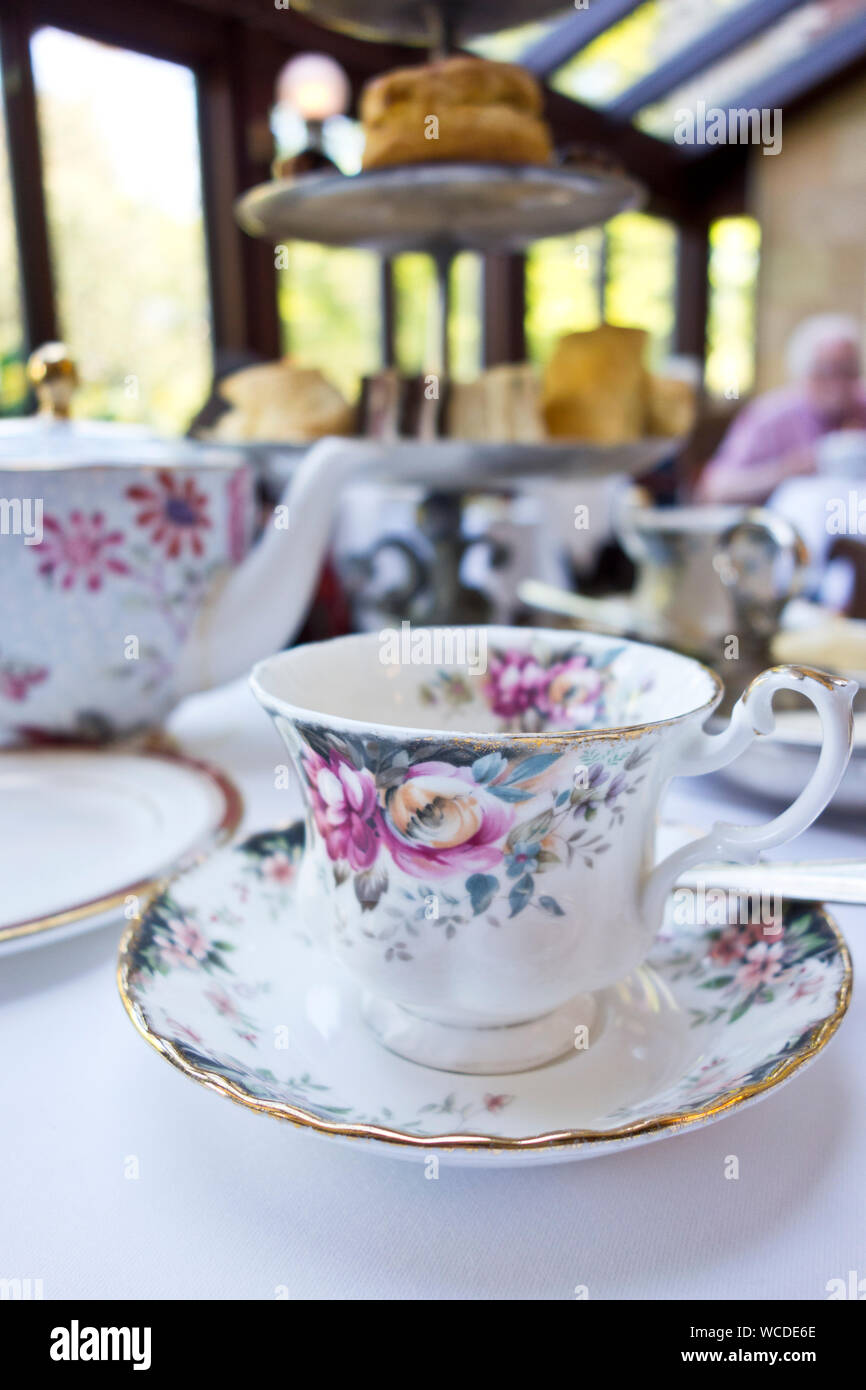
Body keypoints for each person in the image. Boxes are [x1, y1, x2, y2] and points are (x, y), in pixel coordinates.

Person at [696, 314, 866, 504]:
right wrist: (790, 470)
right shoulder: (770, 417)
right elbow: (714, 489)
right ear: (801, 373)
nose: (838, 386)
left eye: (849, 372)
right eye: (825, 373)